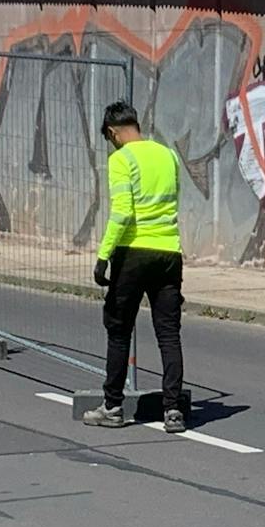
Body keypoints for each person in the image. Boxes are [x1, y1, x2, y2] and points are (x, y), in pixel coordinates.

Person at [82, 102, 187, 434]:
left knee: (119, 329)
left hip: (133, 253)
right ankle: (173, 410)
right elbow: (175, 201)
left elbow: (123, 211)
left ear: (113, 133)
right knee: (168, 333)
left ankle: (113, 406)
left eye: (109, 139)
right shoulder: (168, 156)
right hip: (168, 252)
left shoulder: (121, 159)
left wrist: (103, 255)